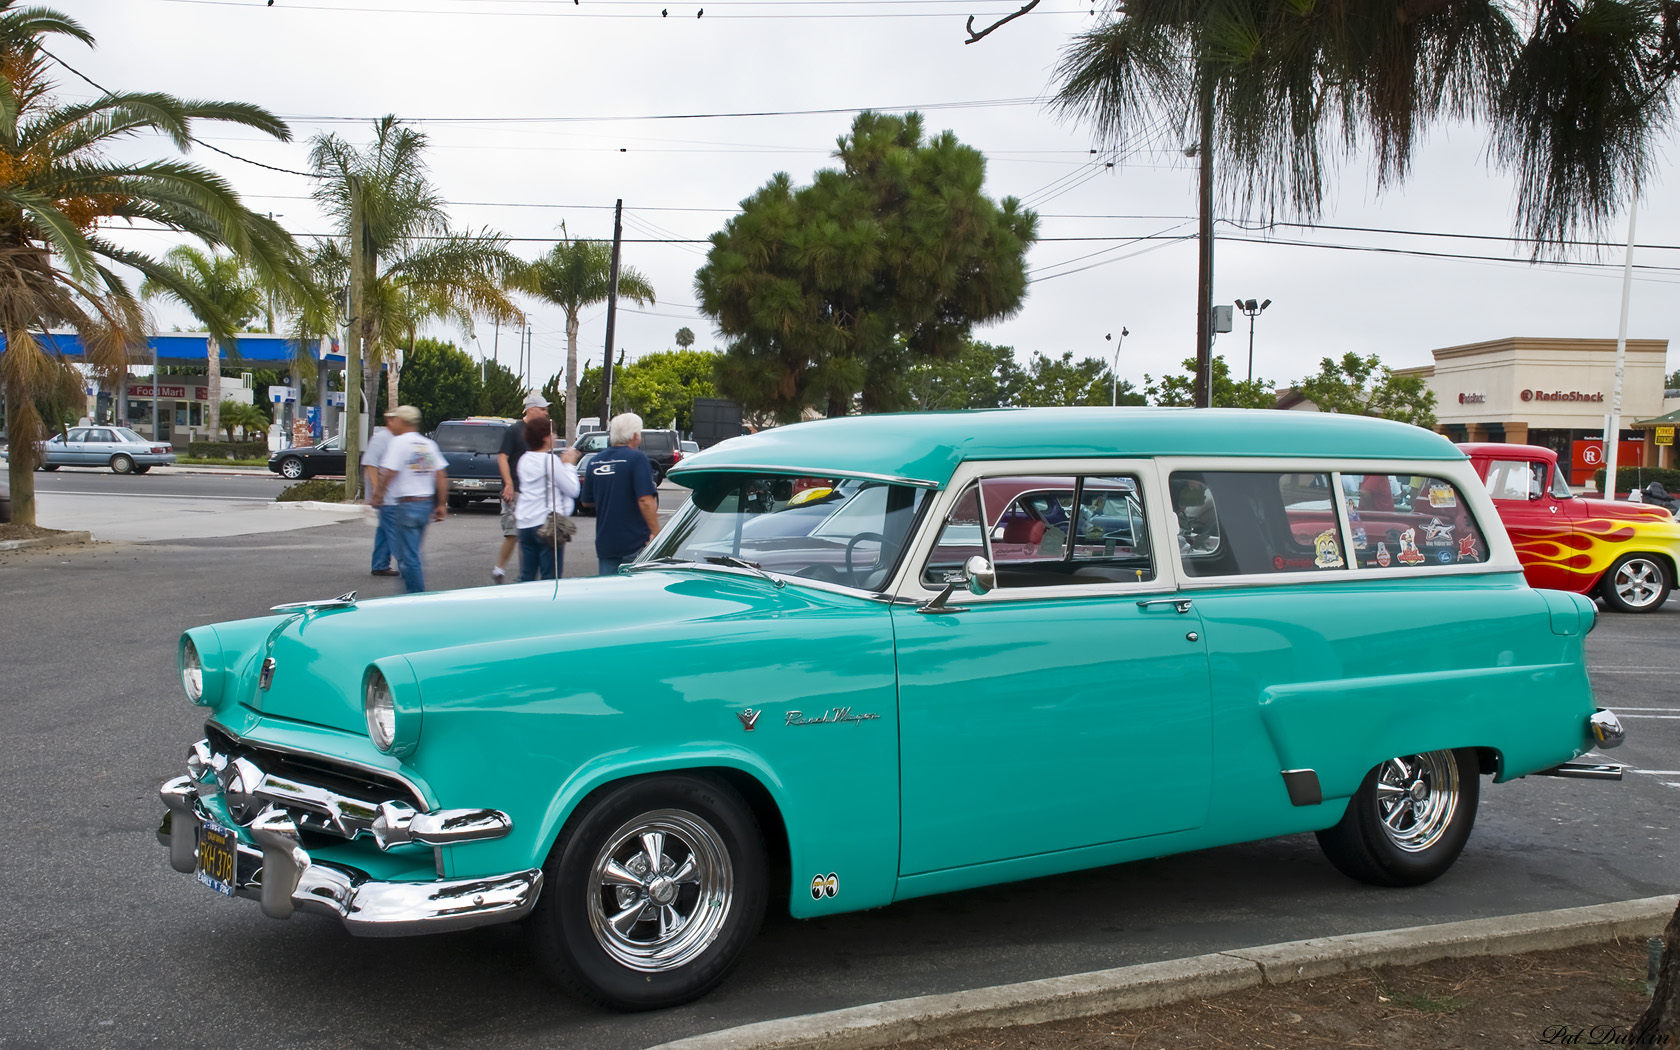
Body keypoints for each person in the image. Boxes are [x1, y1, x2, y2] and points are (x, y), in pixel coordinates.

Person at [372, 405, 447, 593]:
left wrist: (379, 494)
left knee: (408, 556)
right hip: (424, 503)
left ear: (403, 422)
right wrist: (441, 504)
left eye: (395, 419)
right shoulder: (428, 444)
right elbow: (441, 475)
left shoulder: (399, 443)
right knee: (412, 552)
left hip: (407, 504)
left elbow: (389, 472)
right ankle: (412, 591)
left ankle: (416, 595)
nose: (392, 423)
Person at [578, 412, 661, 576]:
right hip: (634, 541)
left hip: (606, 541)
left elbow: (586, 502)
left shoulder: (595, 461)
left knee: (609, 592)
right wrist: (656, 533)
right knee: (631, 593)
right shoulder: (637, 459)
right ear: (635, 436)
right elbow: (645, 499)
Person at [493, 392, 551, 584]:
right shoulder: (514, 430)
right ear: (531, 409)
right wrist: (508, 483)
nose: (545, 413)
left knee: (525, 533)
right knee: (513, 533)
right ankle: (500, 569)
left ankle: (525, 574)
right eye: (542, 409)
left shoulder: (538, 432)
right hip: (515, 489)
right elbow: (502, 457)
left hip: (531, 492)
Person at [515, 418, 582, 581]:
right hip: (547, 523)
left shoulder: (523, 460)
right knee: (550, 577)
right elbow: (573, 489)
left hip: (525, 521)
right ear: (545, 438)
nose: (555, 437)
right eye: (553, 434)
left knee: (527, 575)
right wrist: (569, 465)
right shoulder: (550, 460)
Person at [364, 417, 397, 577]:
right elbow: (371, 465)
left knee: (385, 531)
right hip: (387, 496)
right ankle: (409, 564)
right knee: (396, 532)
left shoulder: (397, 438)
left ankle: (380, 564)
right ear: (391, 421)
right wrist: (377, 491)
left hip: (392, 495)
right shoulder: (381, 439)